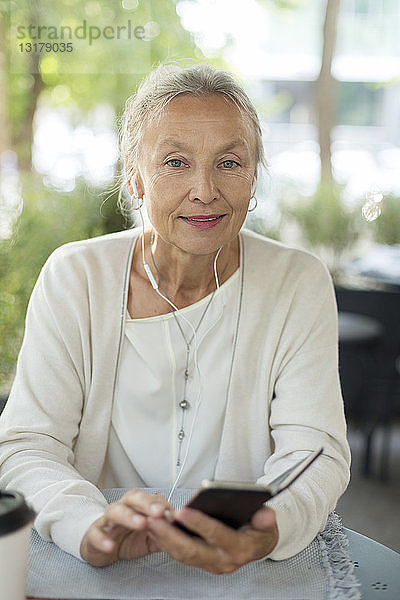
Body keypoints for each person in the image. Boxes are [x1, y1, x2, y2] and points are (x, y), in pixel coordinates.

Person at [0, 63, 350, 574]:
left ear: (254, 176)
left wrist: (267, 526)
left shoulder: (298, 282)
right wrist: (87, 524)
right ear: (135, 175)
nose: (205, 190)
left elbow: (316, 451)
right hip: (92, 561)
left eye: (229, 163)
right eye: (176, 162)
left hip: (244, 564)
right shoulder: (75, 276)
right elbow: (27, 443)